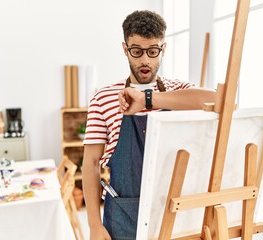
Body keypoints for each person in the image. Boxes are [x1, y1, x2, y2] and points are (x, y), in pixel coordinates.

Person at [82, 10, 215, 240]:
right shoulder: (103, 97)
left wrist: (148, 99)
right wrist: (94, 225)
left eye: (153, 51)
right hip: (123, 218)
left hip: (174, 215)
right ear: (125, 49)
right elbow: (91, 164)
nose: (145, 60)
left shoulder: (178, 90)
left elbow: (218, 100)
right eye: (137, 51)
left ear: (163, 49)